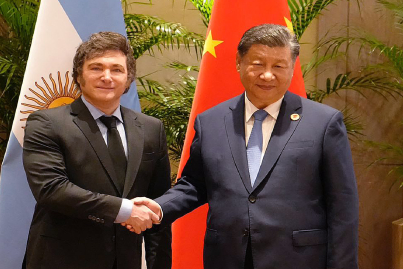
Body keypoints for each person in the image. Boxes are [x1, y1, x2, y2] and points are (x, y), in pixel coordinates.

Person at [127, 24, 359, 269]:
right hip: (228, 257)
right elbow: (194, 184)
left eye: (278, 66)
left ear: (292, 68)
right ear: (239, 62)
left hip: (297, 259)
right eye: (258, 64)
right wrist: (159, 208)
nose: (267, 75)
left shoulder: (323, 123)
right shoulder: (211, 121)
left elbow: (343, 206)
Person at [22, 32, 172, 269]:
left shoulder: (151, 128)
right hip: (61, 260)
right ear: (79, 76)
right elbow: (51, 189)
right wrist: (123, 211)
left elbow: (157, 204)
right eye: (96, 68)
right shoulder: (46, 123)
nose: (107, 77)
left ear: (128, 78)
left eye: (116, 69)